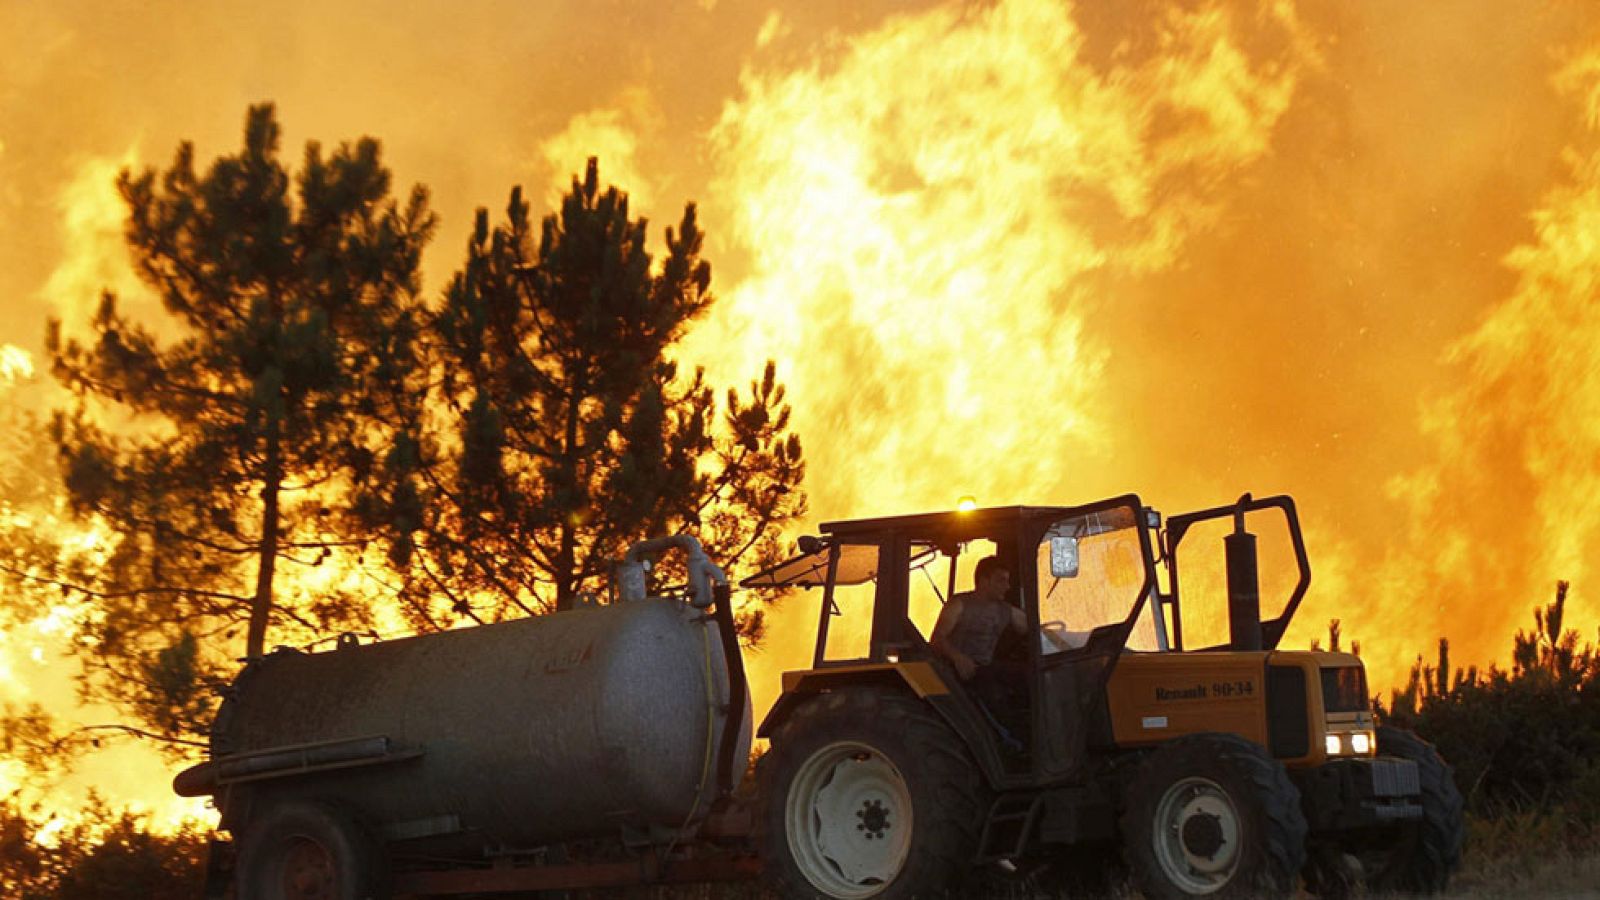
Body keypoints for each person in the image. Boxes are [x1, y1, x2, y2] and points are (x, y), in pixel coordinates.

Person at [930, 556, 1029, 708]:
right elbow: (937, 639)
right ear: (984, 580)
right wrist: (958, 658)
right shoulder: (959, 605)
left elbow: (1033, 630)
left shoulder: (1006, 610)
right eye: (1001, 580)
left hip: (985, 668)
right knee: (995, 692)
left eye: (1007, 581)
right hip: (956, 672)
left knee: (1029, 677)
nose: (1007, 586)